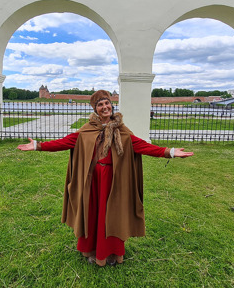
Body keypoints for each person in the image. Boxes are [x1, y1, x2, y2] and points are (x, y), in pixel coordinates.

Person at [17, 90, 193, 267]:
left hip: (113, 181)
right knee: (93, 214)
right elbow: (64, 142)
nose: (104, 107)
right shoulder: (86, 131)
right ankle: (92, 250)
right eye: (100, 105)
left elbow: (142, 146)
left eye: (107, 103)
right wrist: (38, 146)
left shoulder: (122, 131)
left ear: (111, 105)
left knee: (113, 215)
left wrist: (169, 152)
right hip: (92, 181)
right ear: (95, 109)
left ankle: (111, 252)